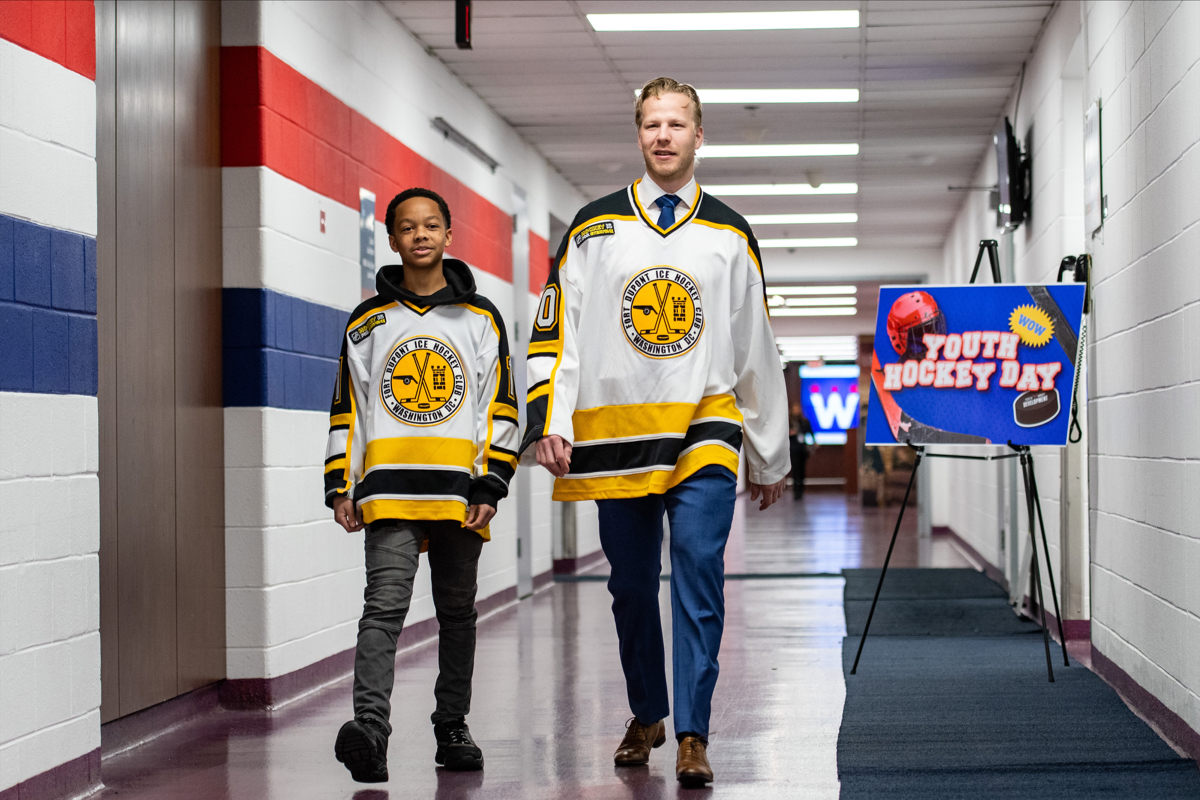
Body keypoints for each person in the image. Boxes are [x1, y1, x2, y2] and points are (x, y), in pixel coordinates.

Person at [519, 77, 789, 787]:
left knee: (698, 569)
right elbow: (557, 332)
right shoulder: (593, 228)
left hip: (705, 425)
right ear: (638, 135)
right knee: (632, 585)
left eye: (676, 124)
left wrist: (769, 454)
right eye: (651, 124)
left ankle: (694, 732)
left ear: (699, 135)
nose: (663, 135)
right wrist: (551, 418)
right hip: (618, 434)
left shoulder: (730, 233)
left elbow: (755, 346)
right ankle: (647, 713)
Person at [323, 188, 519, 783]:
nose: (421, 235)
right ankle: (370, 729)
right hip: (388, 491)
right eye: (408, 227)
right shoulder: (367, 322)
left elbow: (499, 404)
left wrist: (490, 484)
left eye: (431, 225)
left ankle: (452, 726)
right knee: (382, 609)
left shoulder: (481, 317)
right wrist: (340, 485)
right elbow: (347, 408)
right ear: (392, 240)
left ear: (448, 235)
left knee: (457, 612)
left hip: (460, 494)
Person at [790, 404, 815, 499]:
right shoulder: (790, 422)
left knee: (802, 470)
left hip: (802, 449)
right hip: (793, 448)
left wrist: (814, 442)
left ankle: (801, 489)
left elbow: (810, 432)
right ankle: (796, 490)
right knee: (795, 470)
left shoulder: (804, 422)